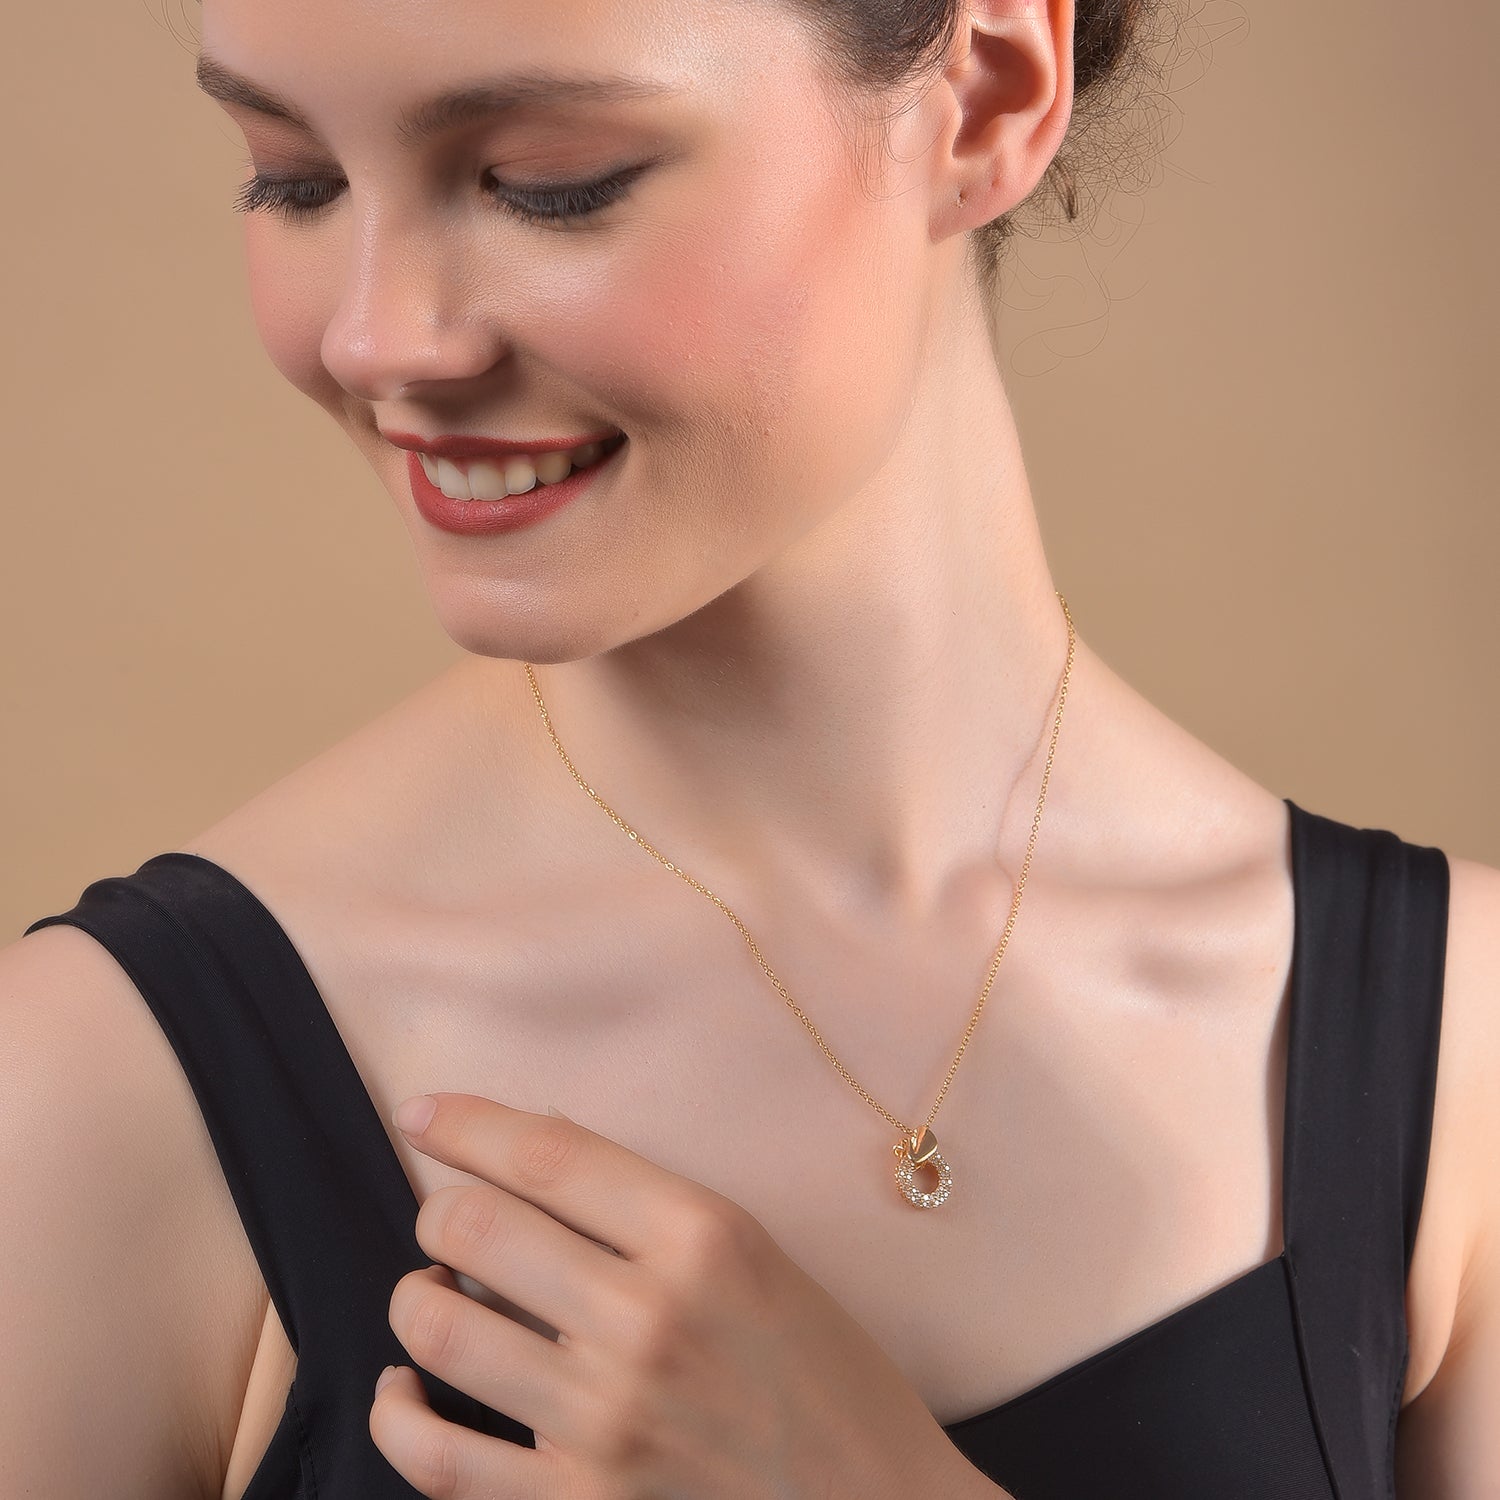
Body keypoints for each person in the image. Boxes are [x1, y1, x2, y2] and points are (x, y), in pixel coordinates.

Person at [3, 0, 1495, 1496]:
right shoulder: (91, 1095)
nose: (380, 337)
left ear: (983, 98)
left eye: (546, 180)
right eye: (295, 177)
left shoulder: (1459, 1054)